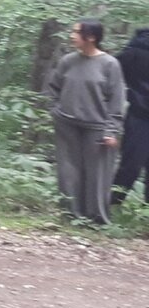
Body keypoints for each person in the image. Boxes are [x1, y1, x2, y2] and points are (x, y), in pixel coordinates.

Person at [44, 20, 125, 225]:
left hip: (97, 128)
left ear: (91, 37)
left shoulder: (109, 64)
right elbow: (54, 88)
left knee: (98, 176)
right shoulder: (68, 61)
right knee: (68, 171)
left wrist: (112, 130)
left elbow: (116, 100)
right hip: (67, 125)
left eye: (76, 32)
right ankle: (71, 216)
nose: (72, 35)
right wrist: (56, 110)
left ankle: (96, 220)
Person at [112, 27, 149, 206]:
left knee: (130, 164)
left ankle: (110, 206)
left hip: (138, 114)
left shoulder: (131, 51)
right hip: (139, 115)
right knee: (131, 164)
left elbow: (112, 71)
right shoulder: (133, 52)